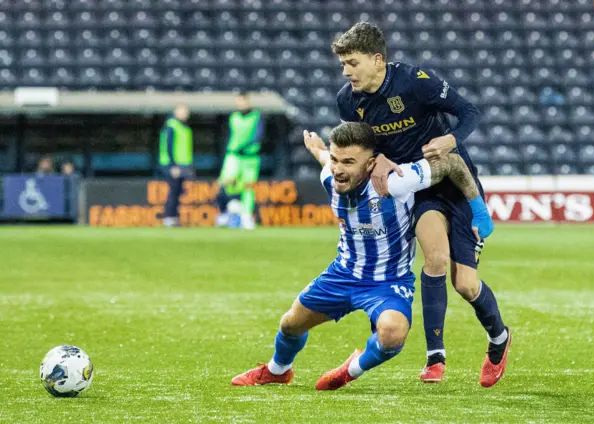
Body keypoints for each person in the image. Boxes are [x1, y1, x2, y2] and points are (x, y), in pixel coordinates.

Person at [232, 122, 486, 390]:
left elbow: (452, 163)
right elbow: (324, 159)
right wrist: (319, 150)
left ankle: (351, 370)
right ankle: (277, 370)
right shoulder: (330, 175)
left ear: (371, 163)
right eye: (335, 159)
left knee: (391, 334)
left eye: (349, 162)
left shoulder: (397, 180)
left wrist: (478, 207)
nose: (339, 169)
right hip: (342, 275)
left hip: (388, 282)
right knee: (290, 325)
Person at [332, 22, 510, 387]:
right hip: (420, 189)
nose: (346, 72)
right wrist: (376, 157)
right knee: (435, 259)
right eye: (343, 65)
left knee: (465, 284)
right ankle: (435, 358)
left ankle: (499, 338)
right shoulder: (348, 101)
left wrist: (451, 138)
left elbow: (470, 111)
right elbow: (360, 145)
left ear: (377, 60)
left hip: (456, 182)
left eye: (352, 62)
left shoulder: (415, 82)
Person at [216, 92, 264, 230]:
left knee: (248, 187)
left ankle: (246, 217)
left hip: (250, 157)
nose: (240, 104)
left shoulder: (256, 116)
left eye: (243, 101)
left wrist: (246, 146)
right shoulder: (233, 117)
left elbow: (259, 135)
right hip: (234, 155)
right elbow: (228, 136)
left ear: (248, 101)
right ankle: (226, 211)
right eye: (238, 101)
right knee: (225, 182)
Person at [158, 104, 193, 227]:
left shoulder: (184, 127)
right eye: (182, 111)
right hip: (173, 165)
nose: (185, 113)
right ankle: (169, 217)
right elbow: (169, 147)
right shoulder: (171, 126)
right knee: (173, 192)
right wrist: (173, 165)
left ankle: (174, 217)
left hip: (183, 165)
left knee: (178, 192)